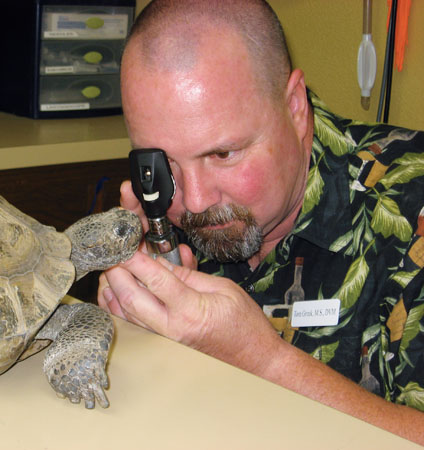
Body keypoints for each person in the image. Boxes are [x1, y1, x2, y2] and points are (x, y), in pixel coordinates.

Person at [97, 0, 424, 443]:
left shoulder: (411, 210)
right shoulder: (159, 210)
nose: (194, 201)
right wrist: (141, 326)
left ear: (294, 107)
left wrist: (263, 361)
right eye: (162, 162)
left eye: (223, 154)